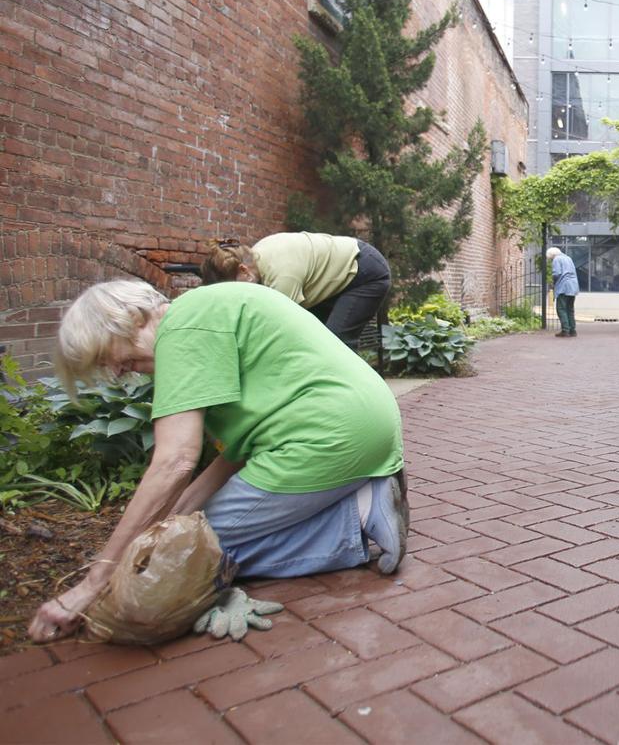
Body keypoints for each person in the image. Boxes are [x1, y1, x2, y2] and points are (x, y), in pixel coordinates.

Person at [27, 279, 407, 644]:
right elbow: (234, 456)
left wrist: (95, 582)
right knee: (178, 540)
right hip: (361, 423)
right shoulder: (205, 314)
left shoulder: (181, 330)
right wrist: (165, 523)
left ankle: (353, 518)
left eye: (104, 355)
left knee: (185, 556)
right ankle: (362, 501)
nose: (114, 371)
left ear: (126, 318)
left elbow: (174, 462)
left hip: (327, 436)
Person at [200, 232, 391, 348]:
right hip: (332, 277)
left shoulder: (283, 277)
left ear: (243, 270)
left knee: (337, 344)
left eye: (233, 289)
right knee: (316, 342)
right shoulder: (257, 259)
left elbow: (281, 333)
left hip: (364, 271)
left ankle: (354, 397)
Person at [546, 246, 579, 337]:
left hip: (563, 287)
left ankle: (565, 330)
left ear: (552, 255)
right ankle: (572, 330)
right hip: (573, 286)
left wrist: (552, 282)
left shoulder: (557, 259)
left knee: (561, 308)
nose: (551, 260)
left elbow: (556, 273)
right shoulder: (568, 258)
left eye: (550, 258)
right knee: (570, 309)